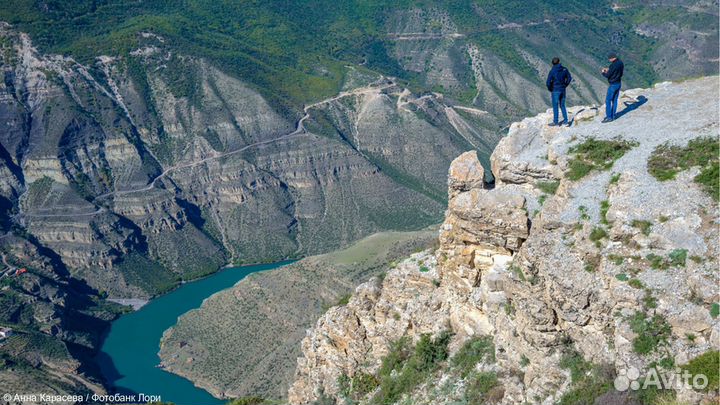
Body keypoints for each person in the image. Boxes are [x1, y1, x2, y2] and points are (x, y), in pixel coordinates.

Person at [546, 57, 572, 127]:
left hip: (555, 90)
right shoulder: (564, 69)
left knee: (555, 106)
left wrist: (550, 89)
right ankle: (566, 120)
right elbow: (569, 78)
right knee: (562, 105)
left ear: (552, 63)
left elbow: (548, 82)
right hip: (563, 90)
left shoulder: (552, 71)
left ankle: (555, 121)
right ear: (559, 62)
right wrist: (565, 85)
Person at [601, 52, 624, 123]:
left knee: (608, 101)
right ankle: (613, 116)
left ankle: (609, 117)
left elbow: (607, 75)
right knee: (615, 100)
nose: (609, 60)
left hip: (613, 85)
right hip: (618, 83)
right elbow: (615, 70)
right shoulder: (620, 63)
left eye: (609, 59)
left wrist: (603, 72)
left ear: (612, 58)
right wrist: (609, 69)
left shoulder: (613, 66)